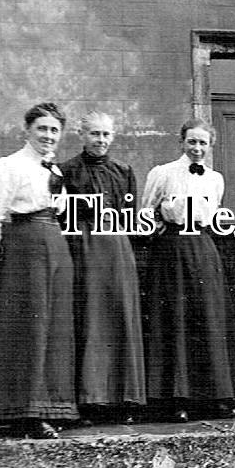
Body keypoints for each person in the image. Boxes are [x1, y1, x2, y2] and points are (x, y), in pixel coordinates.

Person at [0, 103, 77, 438]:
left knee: (55, 329)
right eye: (42, 128)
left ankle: (52, 408)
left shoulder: (54, 171)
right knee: (29, 328)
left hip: (55, 245)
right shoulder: (7, 166)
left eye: (54, 130)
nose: (48, 135)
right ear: (27, 130)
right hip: (24, 248)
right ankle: (24, 412)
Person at [141, 119, 234, 421]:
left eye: (203, 143)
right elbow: (145, 212)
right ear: (182, 142)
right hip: (172, 249)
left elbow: (215, 214)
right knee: (175, 320)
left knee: (206, 319)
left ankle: (212, 397)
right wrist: (160, 233)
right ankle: (176, 398)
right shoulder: (163, 173)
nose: (197, 148)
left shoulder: (216, 179)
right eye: (192, 142)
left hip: (204, 248)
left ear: (210, 145)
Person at [59, 111, 146, 423]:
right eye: (95, 134)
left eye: (106, 135)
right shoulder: (66, 171)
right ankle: (89, 401)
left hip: (118, 250)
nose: (100, 140)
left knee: (119, 316)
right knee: (90, 319)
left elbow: (132, 217)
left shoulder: (123, 171)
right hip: (82, 249)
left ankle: (124, 401)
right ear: (82, 135)